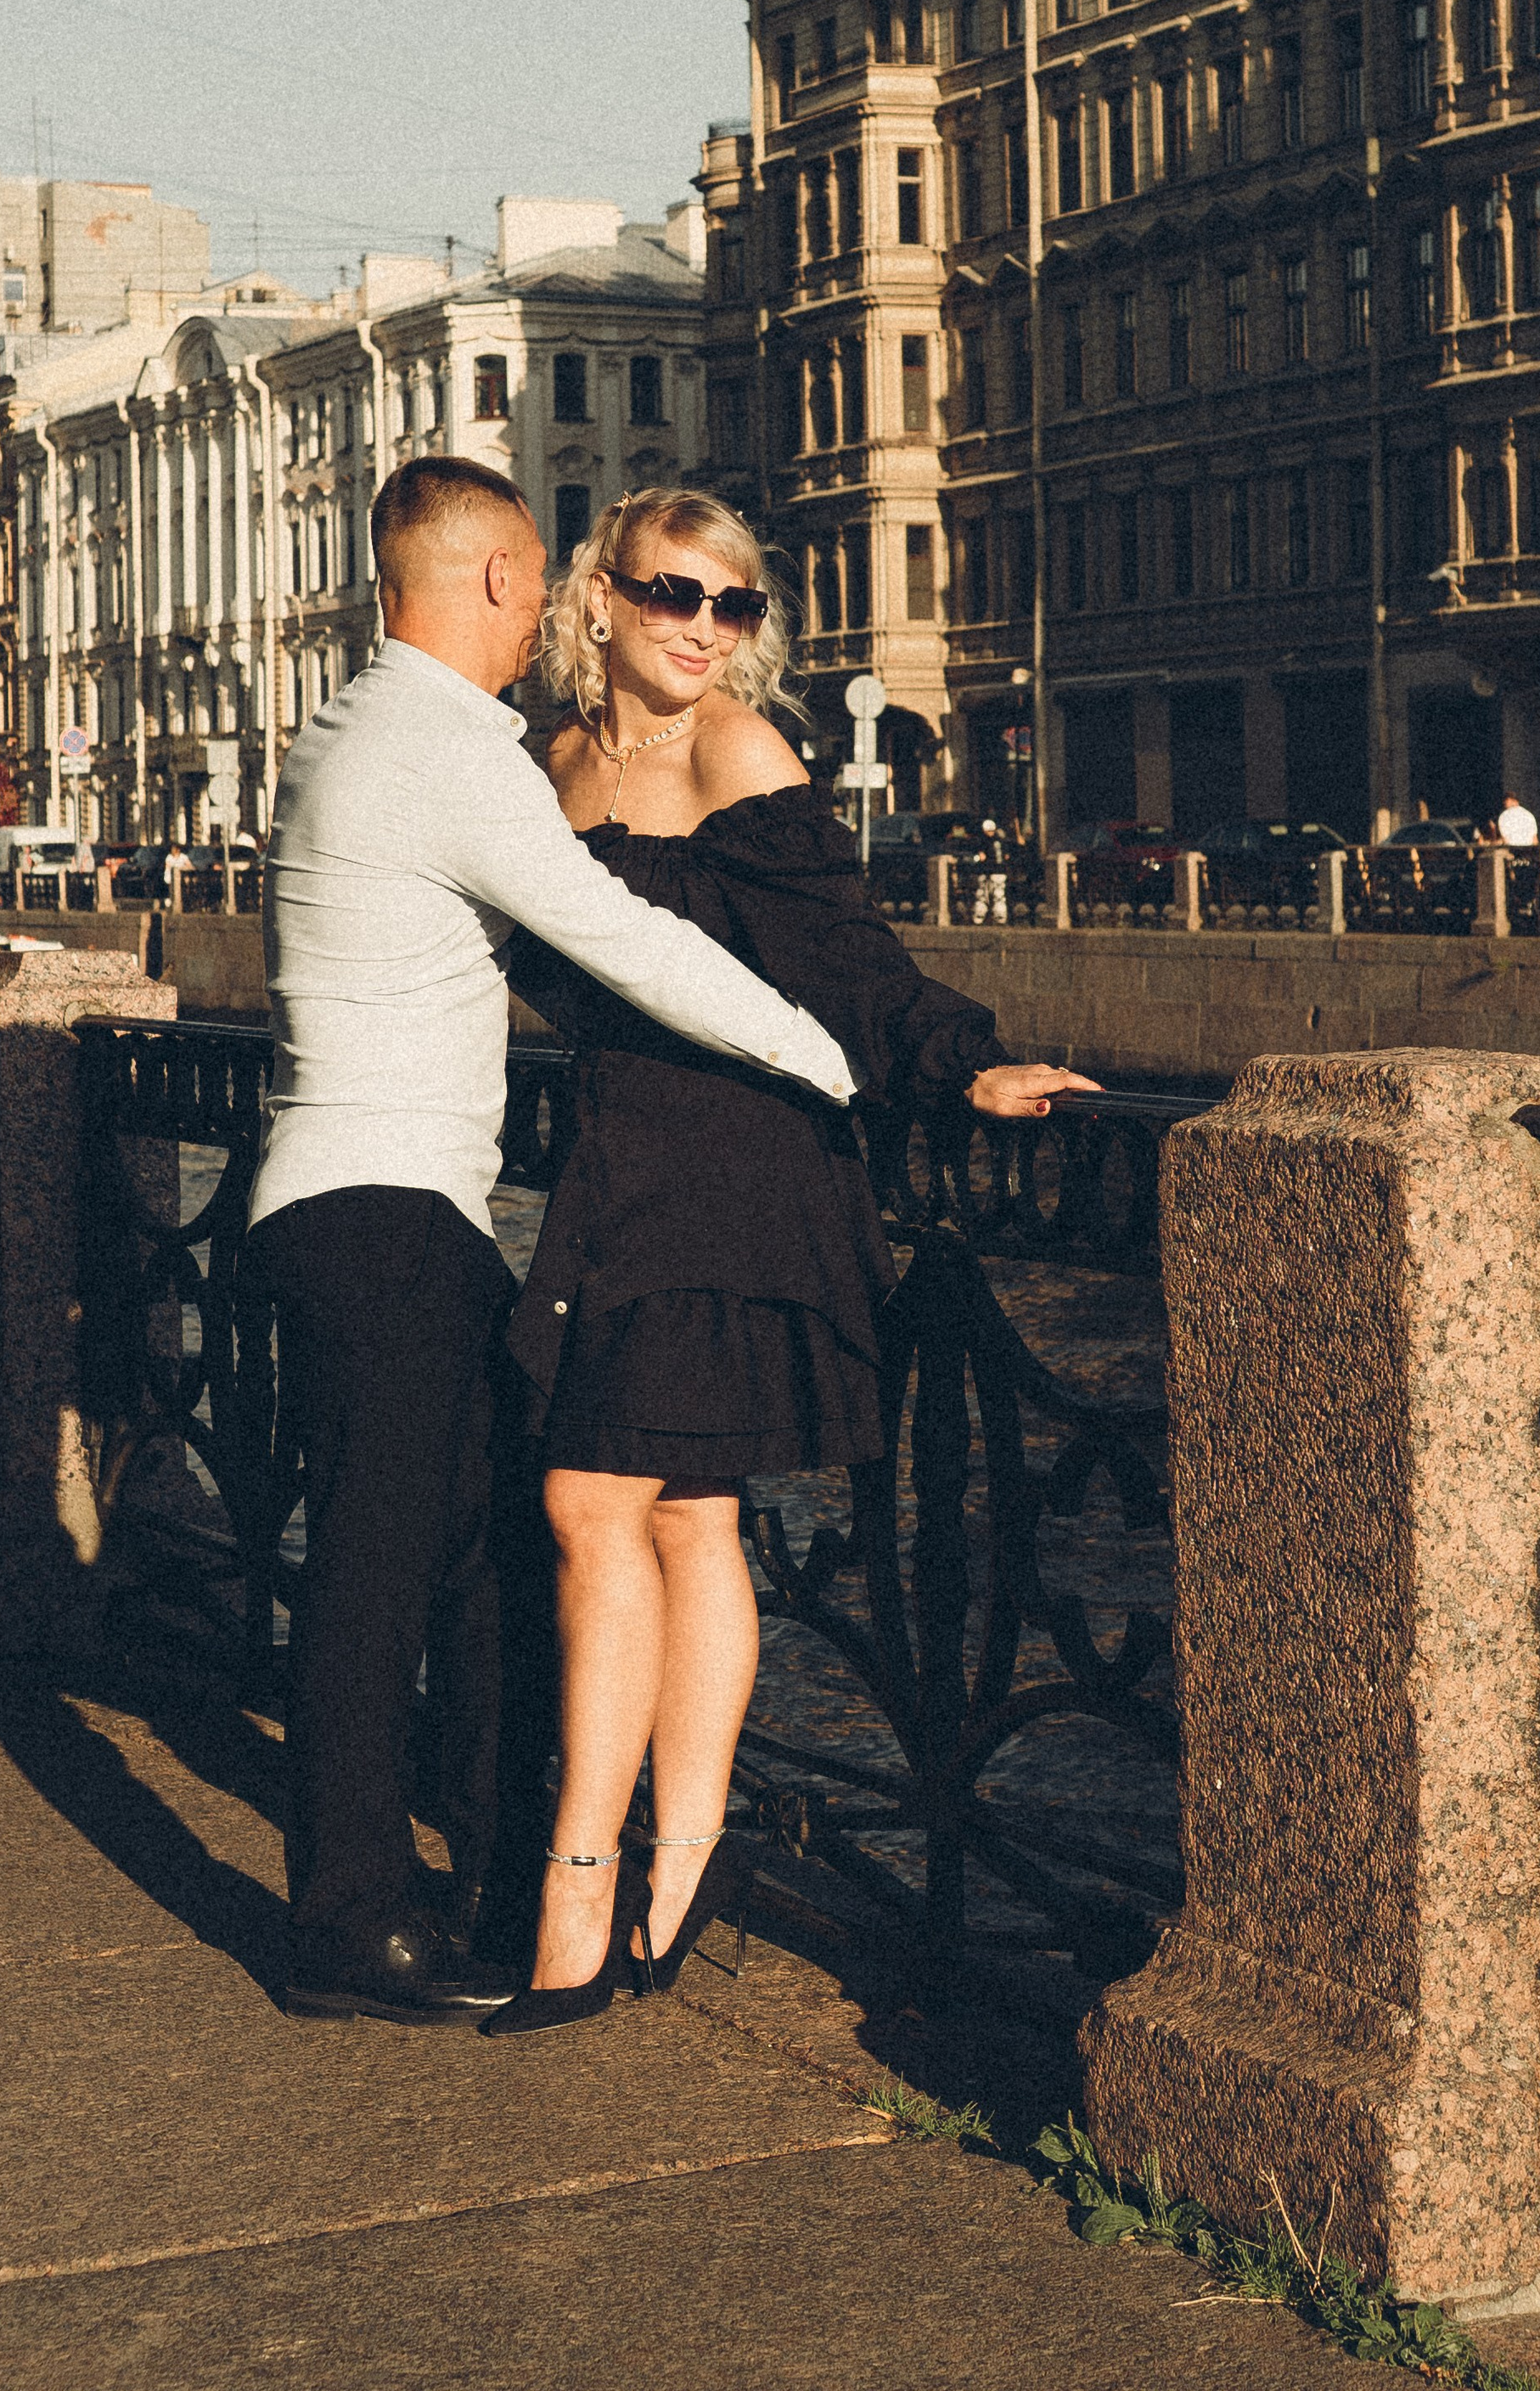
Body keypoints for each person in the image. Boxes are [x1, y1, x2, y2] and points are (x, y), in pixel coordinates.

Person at [244, 458, 858, 2028]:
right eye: (665, 591)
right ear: (520, 582)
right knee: (388, 1579)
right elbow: (623, 941)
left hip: (348, 1201)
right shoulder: (456, 751)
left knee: (482, 1546)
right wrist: (827, 1060)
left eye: (731, 600)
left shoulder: (344, 726)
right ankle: (354, 1927)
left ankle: (506, 1879)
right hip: (389, 1209)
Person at [482, 487, 1094, 2034]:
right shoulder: (550, 765)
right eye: (675, 595)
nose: (703, 628)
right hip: (622, 1169)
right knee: (686, 1515)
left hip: (747, 1175)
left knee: (595, 1499)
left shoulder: (739, 756)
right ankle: (673, 1868)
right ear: (599, 602)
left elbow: (846, 964)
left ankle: (596, 1868)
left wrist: (965, 1066)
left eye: (733, 605)